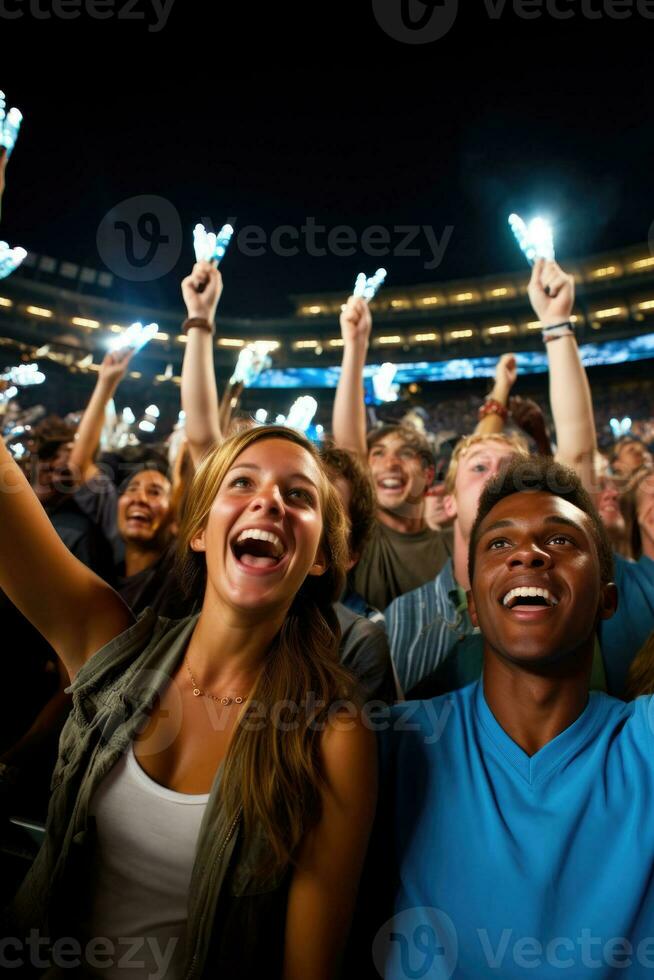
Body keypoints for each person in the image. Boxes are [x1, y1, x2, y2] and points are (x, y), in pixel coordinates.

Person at [2, 424, 377, 979]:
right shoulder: (112, 647)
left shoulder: (332, 736)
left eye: (298, 494)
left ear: (321, 556)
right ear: (200, 530)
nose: (268, 500)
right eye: (241, 482)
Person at [358, 456, 654, 979]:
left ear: (607, 600)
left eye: (562, 541)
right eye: (499, 543)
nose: (529, 554)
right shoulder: (392, 745)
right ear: (473, 607)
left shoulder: (646, 741)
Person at [385, 257, 610, 697]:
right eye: (479, 469)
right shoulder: (397, 619)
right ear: (447, 502)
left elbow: (579, 450)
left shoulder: (569, 579)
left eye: (512, 470)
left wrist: (557, 324)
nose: (497, 477)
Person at [331, 295, 450, 609]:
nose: (390, 463)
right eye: (378, 453)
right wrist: (355, 345)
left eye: (405, 453)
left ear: (427, 473)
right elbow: (349, 448)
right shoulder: (364, 538)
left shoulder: (455, 541)